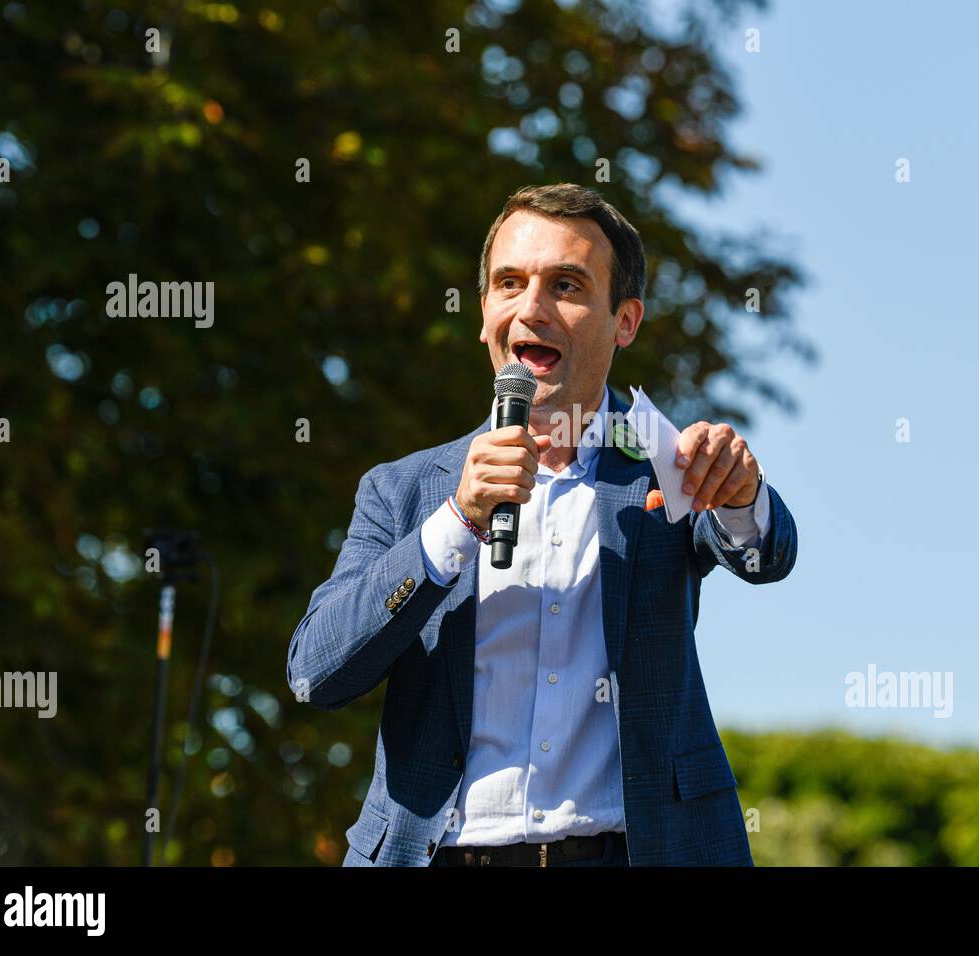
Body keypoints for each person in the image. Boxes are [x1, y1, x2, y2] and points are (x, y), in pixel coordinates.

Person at [286, 183, 798, 866]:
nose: (531, 308)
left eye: (565, 285)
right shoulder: (404, 491)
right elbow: (317, 673)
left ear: (625, 320)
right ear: (483, 313)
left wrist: (740, 493)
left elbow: (767, 556)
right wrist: (457, 522)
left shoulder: (663, 464)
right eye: (509, 283)